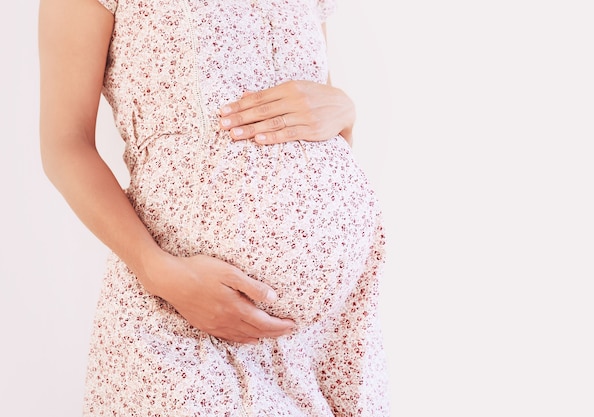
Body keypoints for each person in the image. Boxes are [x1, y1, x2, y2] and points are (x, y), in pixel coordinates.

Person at [38, 0, 389, 415]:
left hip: (329, 336)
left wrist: (345, 111)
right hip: (183, 316)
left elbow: (304, 122)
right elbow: (64, 145)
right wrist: (157, 270)